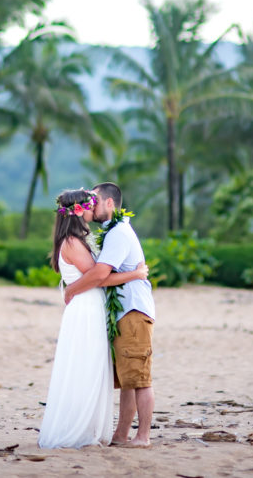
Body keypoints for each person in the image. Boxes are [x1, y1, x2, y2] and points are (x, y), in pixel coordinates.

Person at [38, 188, 149, 449]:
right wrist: (135, 274)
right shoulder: (73, 242)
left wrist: (73, 288)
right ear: (78, 211)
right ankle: (81, 431)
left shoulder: (76, 240)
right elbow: (98, 277)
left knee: (92, 369)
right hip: (86, 310)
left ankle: (96, 429)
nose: (93, 208)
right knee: (86, 369)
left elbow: (93, 277)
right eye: (89, 204)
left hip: (89, 307)